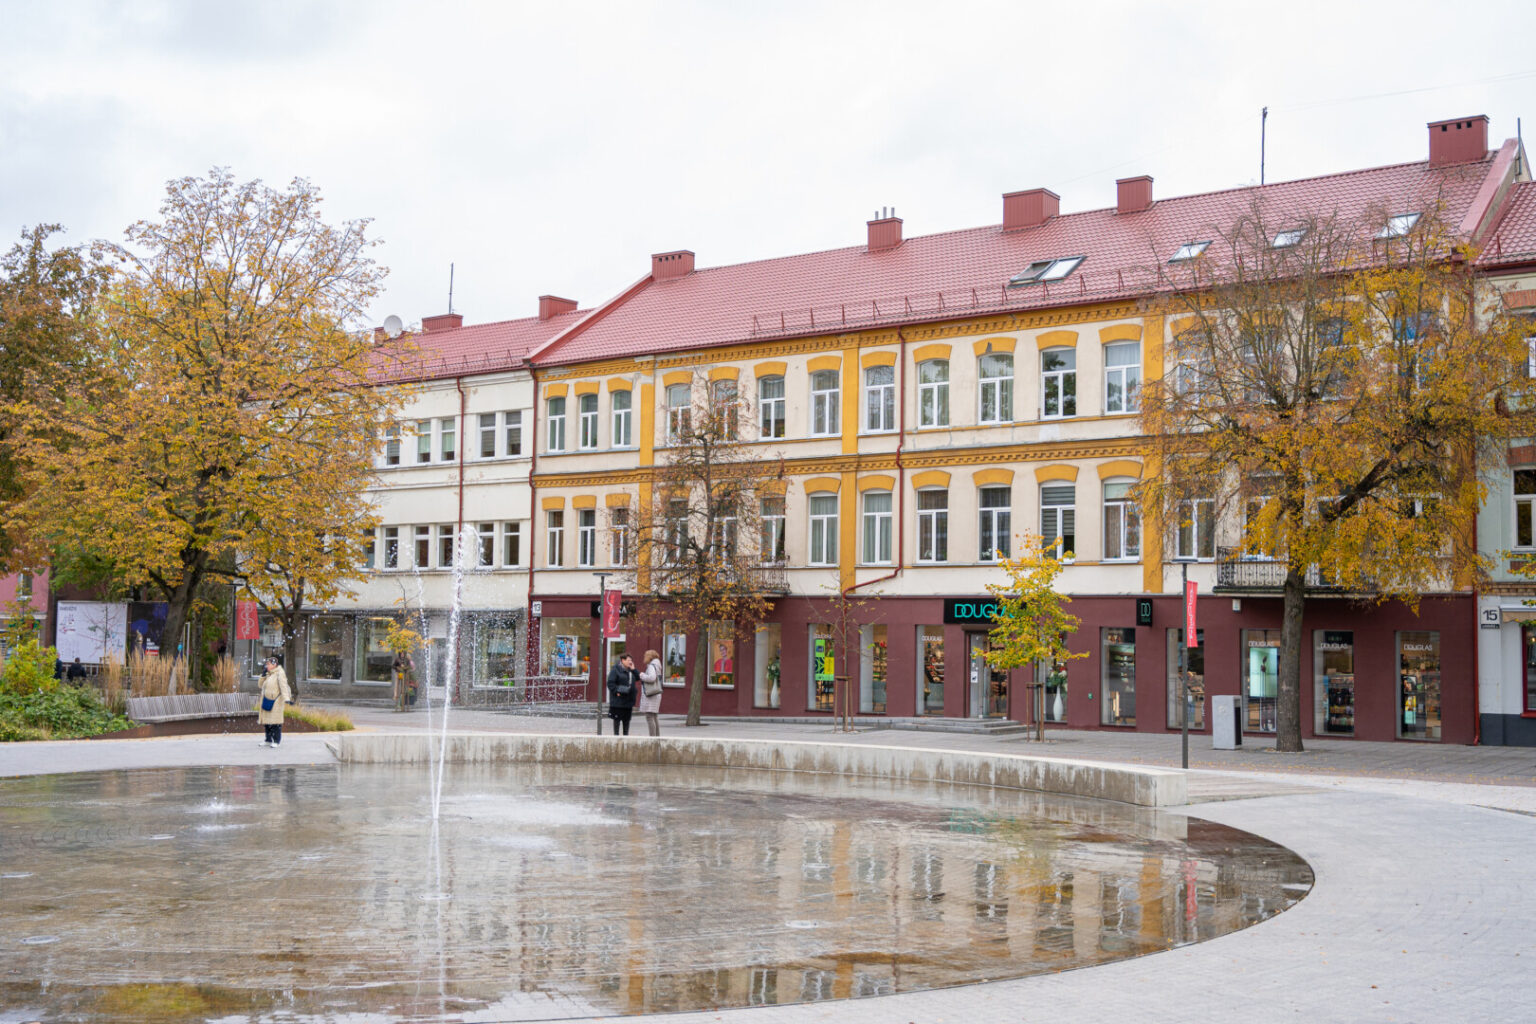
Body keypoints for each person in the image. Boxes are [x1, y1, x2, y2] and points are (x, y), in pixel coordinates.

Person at [257, 655, 293, 747]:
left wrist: (287, 699)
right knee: (267, 722)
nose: (267, 666)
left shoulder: (279, 673)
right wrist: (263, 675)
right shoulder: (269, 674)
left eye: (268, 664)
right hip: (266, 700)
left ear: (274, 665)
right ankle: (268, 739)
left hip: (276, 702)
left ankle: (276, 741)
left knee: (275, 723)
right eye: (267, 664)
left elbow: (283, 687)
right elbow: (260, 686)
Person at [605, 653, 639, 736]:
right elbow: (610, 683)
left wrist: (634, 669)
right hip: (618, 701)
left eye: (631, 660)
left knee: (626, 721)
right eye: (628, 660)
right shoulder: (616, 670)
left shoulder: (631, 670)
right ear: (622, 660)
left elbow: (638, 678)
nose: (630, 662)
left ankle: (625, 738)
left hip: (628, 701)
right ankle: (616, 738)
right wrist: (617, 692)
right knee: (617, 721)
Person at [636, 647, 664, 736]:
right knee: (654, 716)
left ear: (650, 656)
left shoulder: (652, 666)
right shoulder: (657, 665)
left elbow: (652, 678)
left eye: (645, 655)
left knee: (649, 716)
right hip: (656, 693)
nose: (644, 657)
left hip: (651, 694)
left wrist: (642, 675)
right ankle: (657, 737)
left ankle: (652, 738)